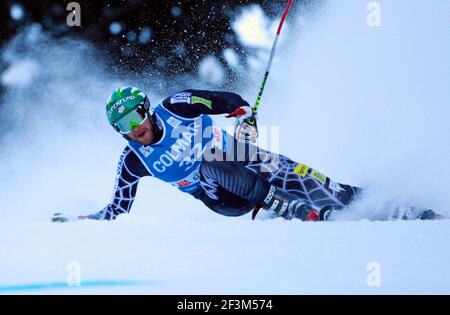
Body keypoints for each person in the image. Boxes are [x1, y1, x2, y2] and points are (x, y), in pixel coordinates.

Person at [52, 87, 439, 223]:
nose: (133, 128)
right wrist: (81, 218)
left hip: (242, 156)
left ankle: (377, 205)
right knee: (209, 161)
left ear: (147, 108)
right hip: (223, 198)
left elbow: (229, 101)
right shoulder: (133, 159)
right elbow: (119, 208)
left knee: (303, 176)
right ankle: (284, 207)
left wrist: (245, 118)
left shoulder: (176, 107)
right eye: (122, 125)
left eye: (135, 116)